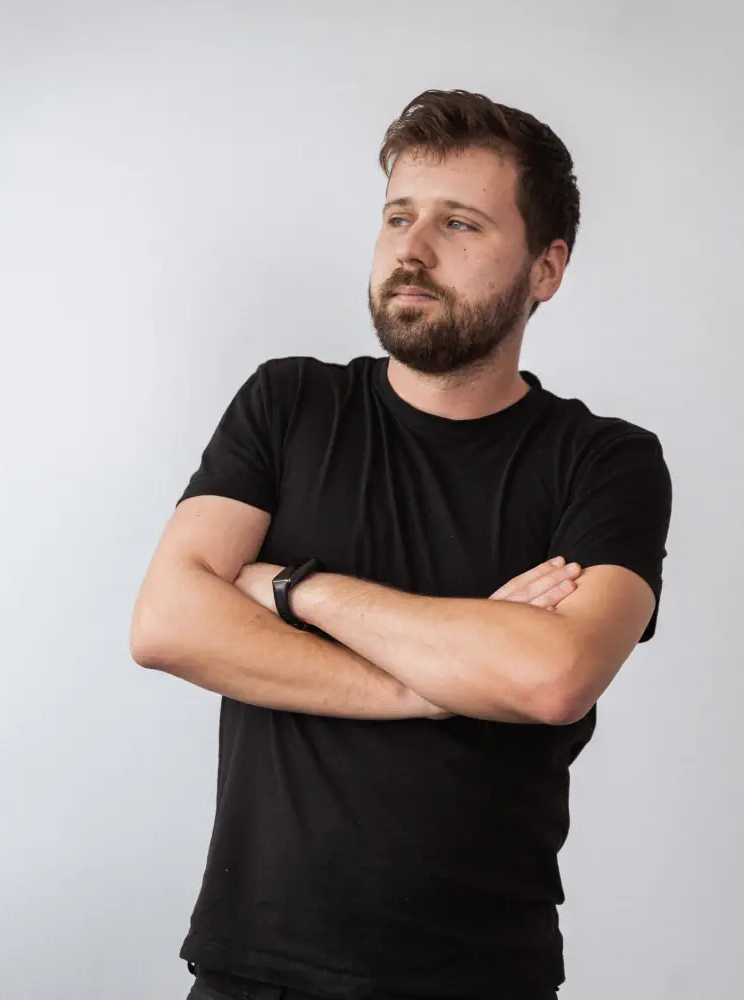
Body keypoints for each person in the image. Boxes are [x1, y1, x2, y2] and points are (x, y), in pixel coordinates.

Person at [130, 89, 672, 1000]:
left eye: (459, 223)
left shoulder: (604, 461)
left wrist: (298, 590)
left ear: (546, 268)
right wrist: (441, 686)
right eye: (397, 217)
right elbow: (167, 624)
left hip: (481, 978)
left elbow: (554, 678)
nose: (411, 250)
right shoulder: (289, 405)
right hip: (253, 970)